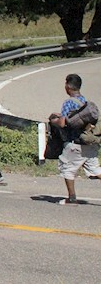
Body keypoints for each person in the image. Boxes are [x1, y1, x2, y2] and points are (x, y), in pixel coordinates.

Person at [48, 73, 99, 205]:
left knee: (67, 169)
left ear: (68, 87)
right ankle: (71, 197)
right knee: (95, 170)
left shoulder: (68, 102)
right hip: (90, 141)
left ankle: (71, 198)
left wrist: (54, 121)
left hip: (75, 143)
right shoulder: (85, 102)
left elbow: (63, 123)